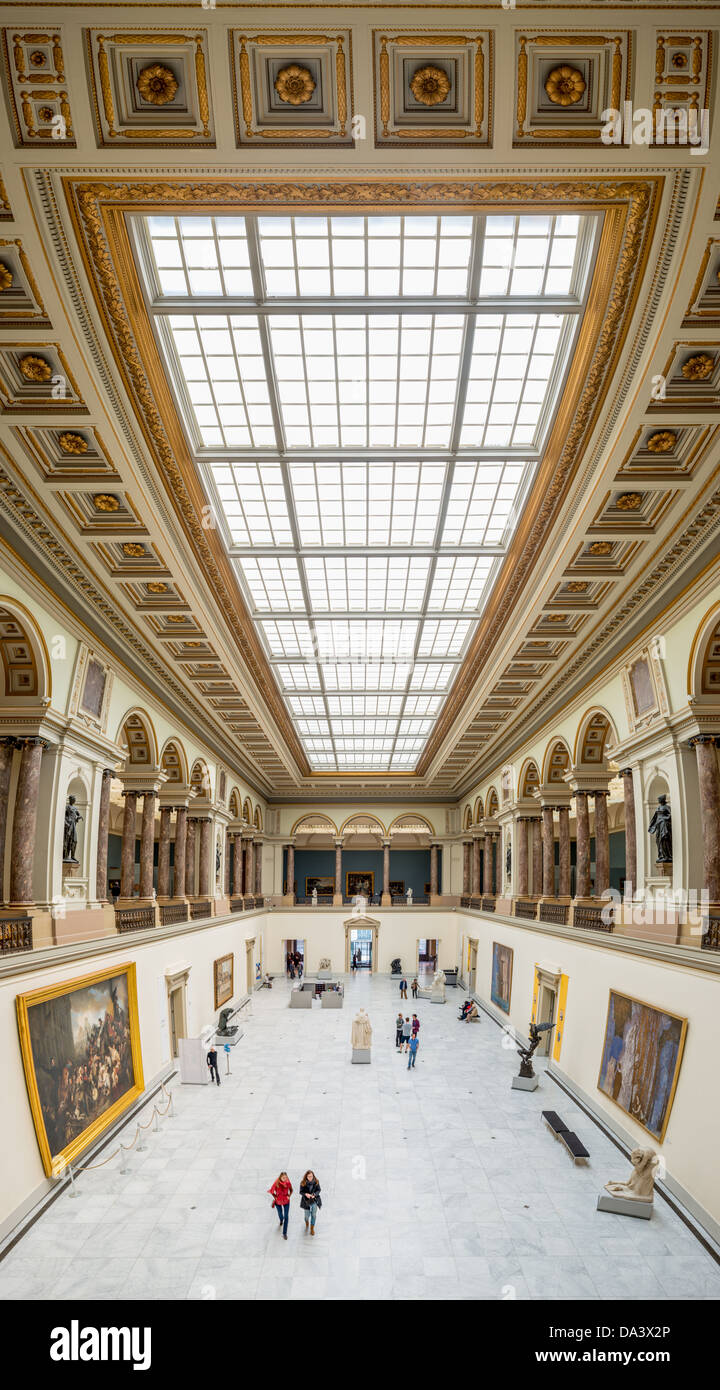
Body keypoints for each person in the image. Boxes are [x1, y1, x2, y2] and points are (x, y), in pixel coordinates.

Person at [268, 1171, 293, 1239]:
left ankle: (284, 1233)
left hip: (286, 1201)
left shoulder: (288, 1182)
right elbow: (271, 1191)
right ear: (280, 1177)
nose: (285, 1179)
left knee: (286, 1217)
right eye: (283, 1178)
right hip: (278, 1201)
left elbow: (291, 1190)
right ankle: (281, 1220)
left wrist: (289, 1196)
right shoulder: (276, 1183)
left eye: (286, 1177)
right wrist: (275, 1197)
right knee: (280, 1214)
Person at [299, 1169, 322, 1235]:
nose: (310, 1178)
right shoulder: (303, 1182)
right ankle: (306, 1222)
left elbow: (319, 1190)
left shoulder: (316, 1181)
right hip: (306, 1201)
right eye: (309, 1176)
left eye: (311, 1176)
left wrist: (314, 1194)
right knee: (306, 1215)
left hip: (314, 1200)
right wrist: (306, 1194)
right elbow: (301, 1192)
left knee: (314, 1215)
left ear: (313, 1176)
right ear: (306, 1176)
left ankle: (312, 1228)